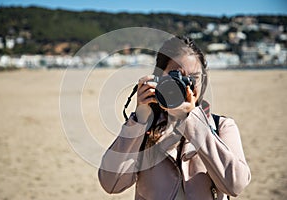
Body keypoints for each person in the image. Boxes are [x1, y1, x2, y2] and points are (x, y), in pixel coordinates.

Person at [98, 36, 251, 200]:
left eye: (193, 78)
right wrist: (139, 120)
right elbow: (111, 183)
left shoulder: (221, 126)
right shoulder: (145, 129)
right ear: (158, 78)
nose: (186, 85)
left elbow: (235, 186)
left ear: (203, 80)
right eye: (176, 76)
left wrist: (193, 121)